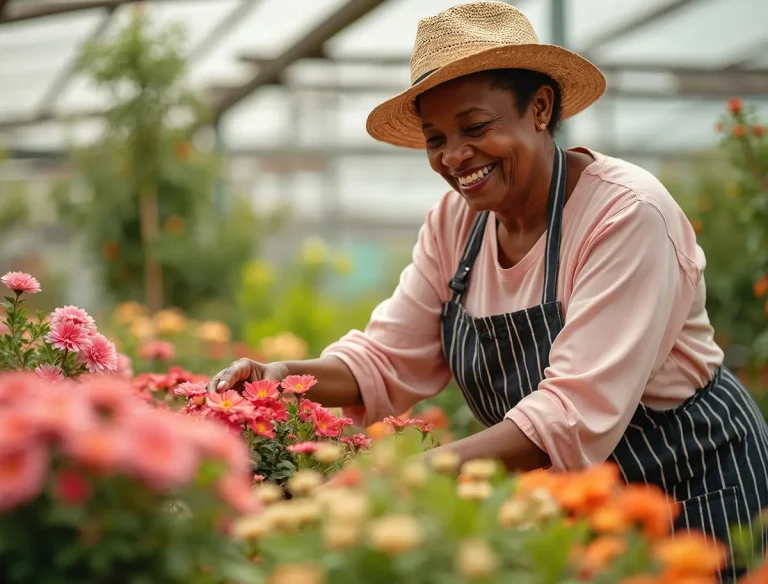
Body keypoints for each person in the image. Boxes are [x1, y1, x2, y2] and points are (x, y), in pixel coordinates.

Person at [209, 1, 768, 577]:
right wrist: (279, 378)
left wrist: (412, 475)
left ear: (541, 109)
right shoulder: (456, 224)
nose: (453, 157)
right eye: (436, 139)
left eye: (476, 128)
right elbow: (386, 357)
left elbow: (573, 411)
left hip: (697, 494)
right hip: (581, 507)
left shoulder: (624, 215)